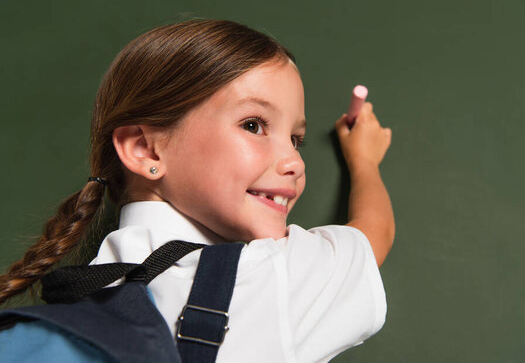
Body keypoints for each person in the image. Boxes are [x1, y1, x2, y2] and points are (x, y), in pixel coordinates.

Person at [0, 19, 394, 362]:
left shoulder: (83, 291)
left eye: (296, 139)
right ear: (146, 149)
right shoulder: (264, 277)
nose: (295, 161)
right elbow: (373, 236)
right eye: (254, 125)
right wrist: (365, 162)